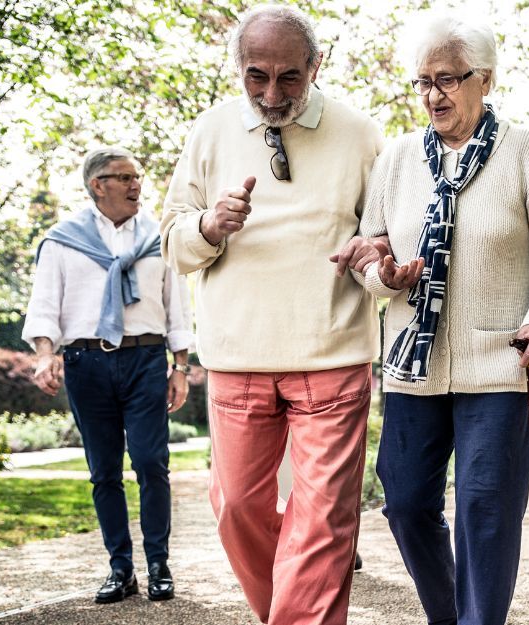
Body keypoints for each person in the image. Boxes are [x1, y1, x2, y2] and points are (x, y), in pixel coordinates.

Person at [348, 13, 529, 625]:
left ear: (486, 80)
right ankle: (451, 615)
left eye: (447, 79)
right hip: (411, 365)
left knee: (486, 508)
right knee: (404, 503)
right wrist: (381, 276)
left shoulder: (526, 152)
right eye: (423, 81)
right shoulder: (397, 160)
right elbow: (368, 248)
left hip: (498, 362)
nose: (433, 95)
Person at [159, 5, 385, 624]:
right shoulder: (208, 132)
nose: (271, 92)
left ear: (317, 66)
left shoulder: (361, 134)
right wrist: (208, 226)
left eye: (290, 77)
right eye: (257, 75)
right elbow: (174, 243)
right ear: (238, 67)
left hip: (332, 355)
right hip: (237, 357)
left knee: (322, 525)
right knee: (235, 509)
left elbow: (383, 238)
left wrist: (377, 263)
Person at [23, 146, 192, 604]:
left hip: (145, 360)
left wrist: (181, 367)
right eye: (126, 177)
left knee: (152, 463)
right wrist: (44, 355)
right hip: (86, 363)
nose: (137, 184)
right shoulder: (62, 240)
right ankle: (121, 569)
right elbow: (45, 307)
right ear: (99, 185)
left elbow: (177, 307)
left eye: (138, 176)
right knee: (103, 472)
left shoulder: (160, 236)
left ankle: (158, 564)